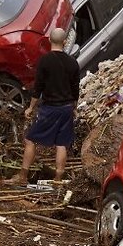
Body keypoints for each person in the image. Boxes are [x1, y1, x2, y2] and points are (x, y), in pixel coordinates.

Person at [15, 27, 79, 185]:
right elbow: (75, 89)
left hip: (50, 108)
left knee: (31, 140)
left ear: (50, 40)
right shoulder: (73, 63)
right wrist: (74, 108)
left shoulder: (44, 61)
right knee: (62, 144)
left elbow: (38, 88)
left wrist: (30, 108)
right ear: (65, 42)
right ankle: (58, 179)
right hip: (66, 109)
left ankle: (23, 176)